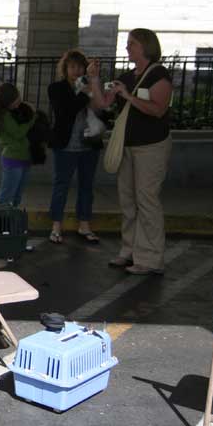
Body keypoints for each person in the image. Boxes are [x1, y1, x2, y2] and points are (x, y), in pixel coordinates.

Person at [88, 28, 173, 276]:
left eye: (132, 43)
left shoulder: (159, 75)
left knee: (147, 200)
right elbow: (102, 103)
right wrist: (94, 78)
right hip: (128, 145)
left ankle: (150, 258)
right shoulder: (127, 76)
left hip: (151, 147)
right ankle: (130, 250)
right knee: (128, 200)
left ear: (145, 46)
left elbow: (158, 109)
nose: (127, 48)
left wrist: (129, 97)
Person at [46, 50, 103, 245]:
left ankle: (84, 225)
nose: (76, 71)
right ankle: (55, 226)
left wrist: (92, 88)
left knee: (87, 186)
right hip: (66, 145)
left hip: (89, 145)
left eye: (80, 67)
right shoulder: (56, 88)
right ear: (65, 68)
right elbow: (65, 111)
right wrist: (84, 93)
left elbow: (102, 109)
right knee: (61, 185)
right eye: (72, 67)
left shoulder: (90, 86)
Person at [0, 82, 36, 207]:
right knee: (7, 196)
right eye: (16, 100)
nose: (19, 101)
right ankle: (3, 222)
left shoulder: (12, 112)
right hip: (14, 159)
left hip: (24, 157)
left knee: (17, 196)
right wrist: (32, 118)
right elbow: (18, 133)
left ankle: (12, 223)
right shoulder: (4, 117)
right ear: (7, 101)